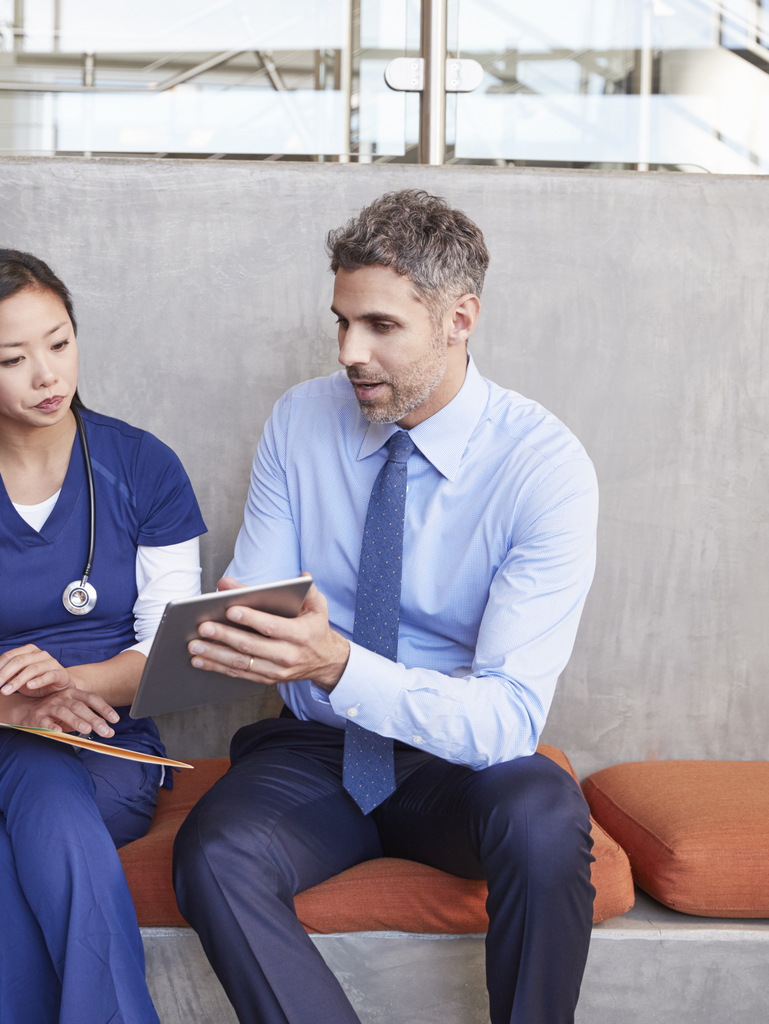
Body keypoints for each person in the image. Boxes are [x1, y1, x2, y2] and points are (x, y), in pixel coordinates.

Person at [171, 190, 600, 1024]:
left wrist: (334, 659)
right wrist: (231, 632)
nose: (349, 353)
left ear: (459, 319)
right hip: (319, 750)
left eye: (380, 327)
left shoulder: (542, 467)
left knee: (544, 816)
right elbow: (253, 605)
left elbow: (508, 717)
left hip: (458, 766)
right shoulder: (301, 421)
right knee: (215, 854)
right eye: (340, 322)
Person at [0, 248, 207, 1024]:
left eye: (60, 342)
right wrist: (10, 704)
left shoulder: (143, 468)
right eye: (13, 357)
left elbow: (172, 660)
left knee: (5, 861)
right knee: (29, 787)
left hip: (108, 744)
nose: (47, 374)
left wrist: (73, 685)